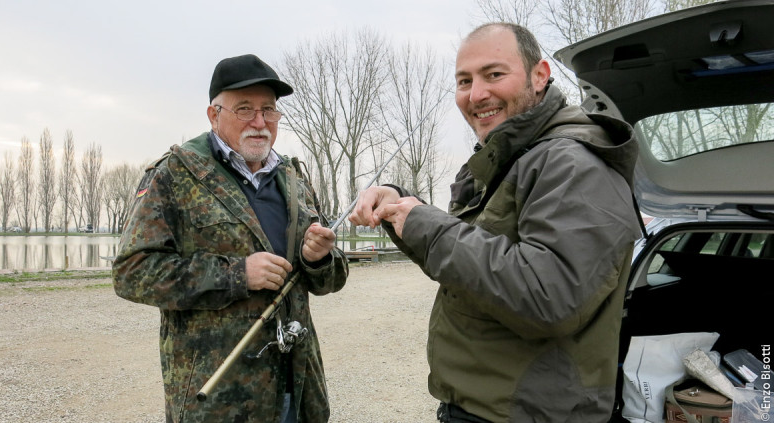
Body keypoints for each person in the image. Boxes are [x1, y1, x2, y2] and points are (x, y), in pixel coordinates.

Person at [349, 23, 641, 422]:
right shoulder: (514, 157)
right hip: (488, 406)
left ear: (539, 75)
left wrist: (425, 225)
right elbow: (472, 261)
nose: (476, 94)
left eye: (494, 74)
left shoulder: (573, 164)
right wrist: (400, 207)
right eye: (464, 81)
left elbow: (548, 296)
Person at [112, 54, 348, 423]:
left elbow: (332, 279)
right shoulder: (174, 174)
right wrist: (236, 275)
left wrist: (317, 259)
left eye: (268, 110)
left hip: (296, 390)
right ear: (214, 115)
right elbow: (131, 272)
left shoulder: (294, 179)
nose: (260, 122)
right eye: (245, 109)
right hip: (219, 402)